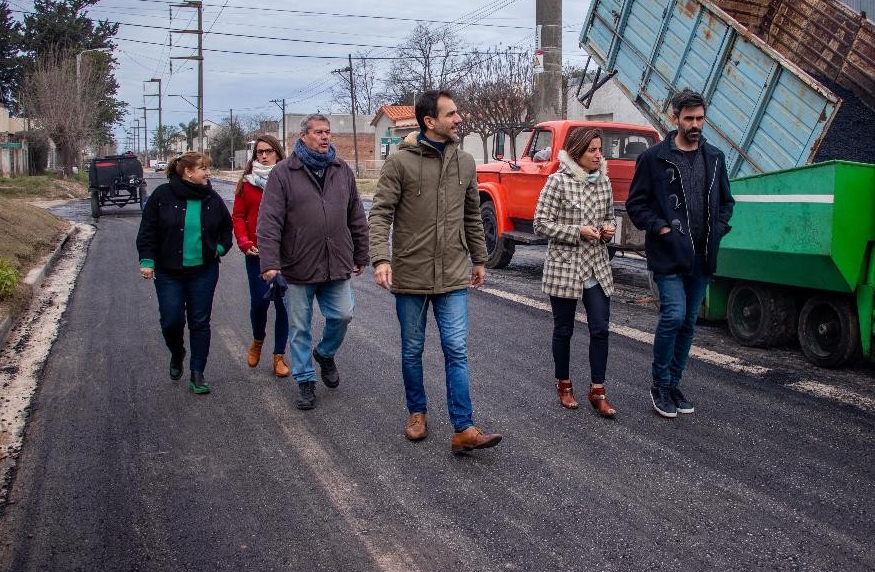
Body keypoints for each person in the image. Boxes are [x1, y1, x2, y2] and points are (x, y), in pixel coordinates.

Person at [368, 89, 503, 454]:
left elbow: (472, 214)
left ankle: (464, 427)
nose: (459, 119)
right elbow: (380, 214)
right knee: (412, 350)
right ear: (430, 121)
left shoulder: (466, 162)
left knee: (456, 350)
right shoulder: (400, 163)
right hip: (411, 272)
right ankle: (417, 412)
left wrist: (479, 258)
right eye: (452, 114)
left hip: (454, 271)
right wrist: (381, 258)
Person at [626, 88, 734, 418]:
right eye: (689, 118)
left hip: (702, 256)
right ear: (675, 118)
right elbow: (636, 204)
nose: (696, 124)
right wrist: (661, 228)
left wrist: (718, 227)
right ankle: (659, 384)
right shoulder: (654, 158)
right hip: (668, 254)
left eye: (700, 118)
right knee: (673, 315)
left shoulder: (714, 158)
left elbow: (726, 203)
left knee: (688, 321)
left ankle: (673, 382)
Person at [256, 115, 369, 411]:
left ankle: (326, 353)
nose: (325, 137)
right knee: (299, 327)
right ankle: (305, 380)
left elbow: (355, 214)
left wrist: (361, 253)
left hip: (336, 262)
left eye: (328, 132)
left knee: (343, 314)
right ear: (303, 136)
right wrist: (270, 263)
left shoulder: (341, 170)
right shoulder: (283, 173)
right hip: (297, 266)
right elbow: (269, 222)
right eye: (318, 132)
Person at [533, 127, 618, 418]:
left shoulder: (604, 182)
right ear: (576, 152)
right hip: (565, 266)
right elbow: (540, 224)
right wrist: (576, 231)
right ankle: (564, 384)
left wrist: (608, 230)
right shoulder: (557, 182)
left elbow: (609, 217)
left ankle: (598, 390)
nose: (598, 155)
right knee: (564, 329)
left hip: (595, 265)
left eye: (599, 149)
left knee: (600, 328)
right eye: (592, 150)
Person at [137, 152, 233, 395]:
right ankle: (177, 352)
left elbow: (226, 227)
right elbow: (148, 229)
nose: (208, 173)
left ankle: (197, 373)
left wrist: (219, 249)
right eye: (203, 168)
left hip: (204, 271)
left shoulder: (211, 197)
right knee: (171, 320)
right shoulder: (162, 196)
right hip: (169, 272)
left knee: (200, 321)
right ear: (188, 172)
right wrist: (147, 260)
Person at [232, 134, 290, 377]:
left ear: (277, 152)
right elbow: (238, 216)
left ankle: (279, 356)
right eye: (259, 152)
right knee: (260, 302)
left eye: (268, 151)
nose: (264, 156)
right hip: (256, 253)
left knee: (284, 306)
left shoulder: (290, 179)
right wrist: (244, 243)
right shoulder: (247, 184)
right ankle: (257, 341)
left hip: (286, 254)